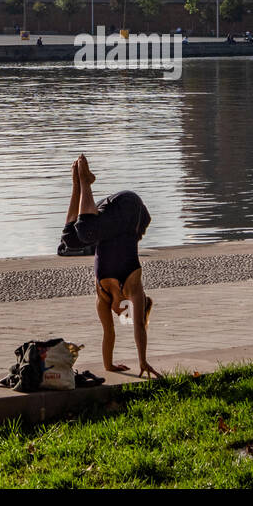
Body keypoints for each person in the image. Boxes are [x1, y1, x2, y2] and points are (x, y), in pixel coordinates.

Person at [60, 155, 160, 379]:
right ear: (129, 305)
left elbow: (109, 334)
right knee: (87, 231)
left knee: (71, 240)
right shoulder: (133, 287)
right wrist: (142, 360)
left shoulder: (103, 296)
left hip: (108, 221)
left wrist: (109, 365)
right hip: (130, 207)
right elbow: (140, 328)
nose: (118, 314)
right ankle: (85, 181)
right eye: (124, 313)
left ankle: (78, 184)